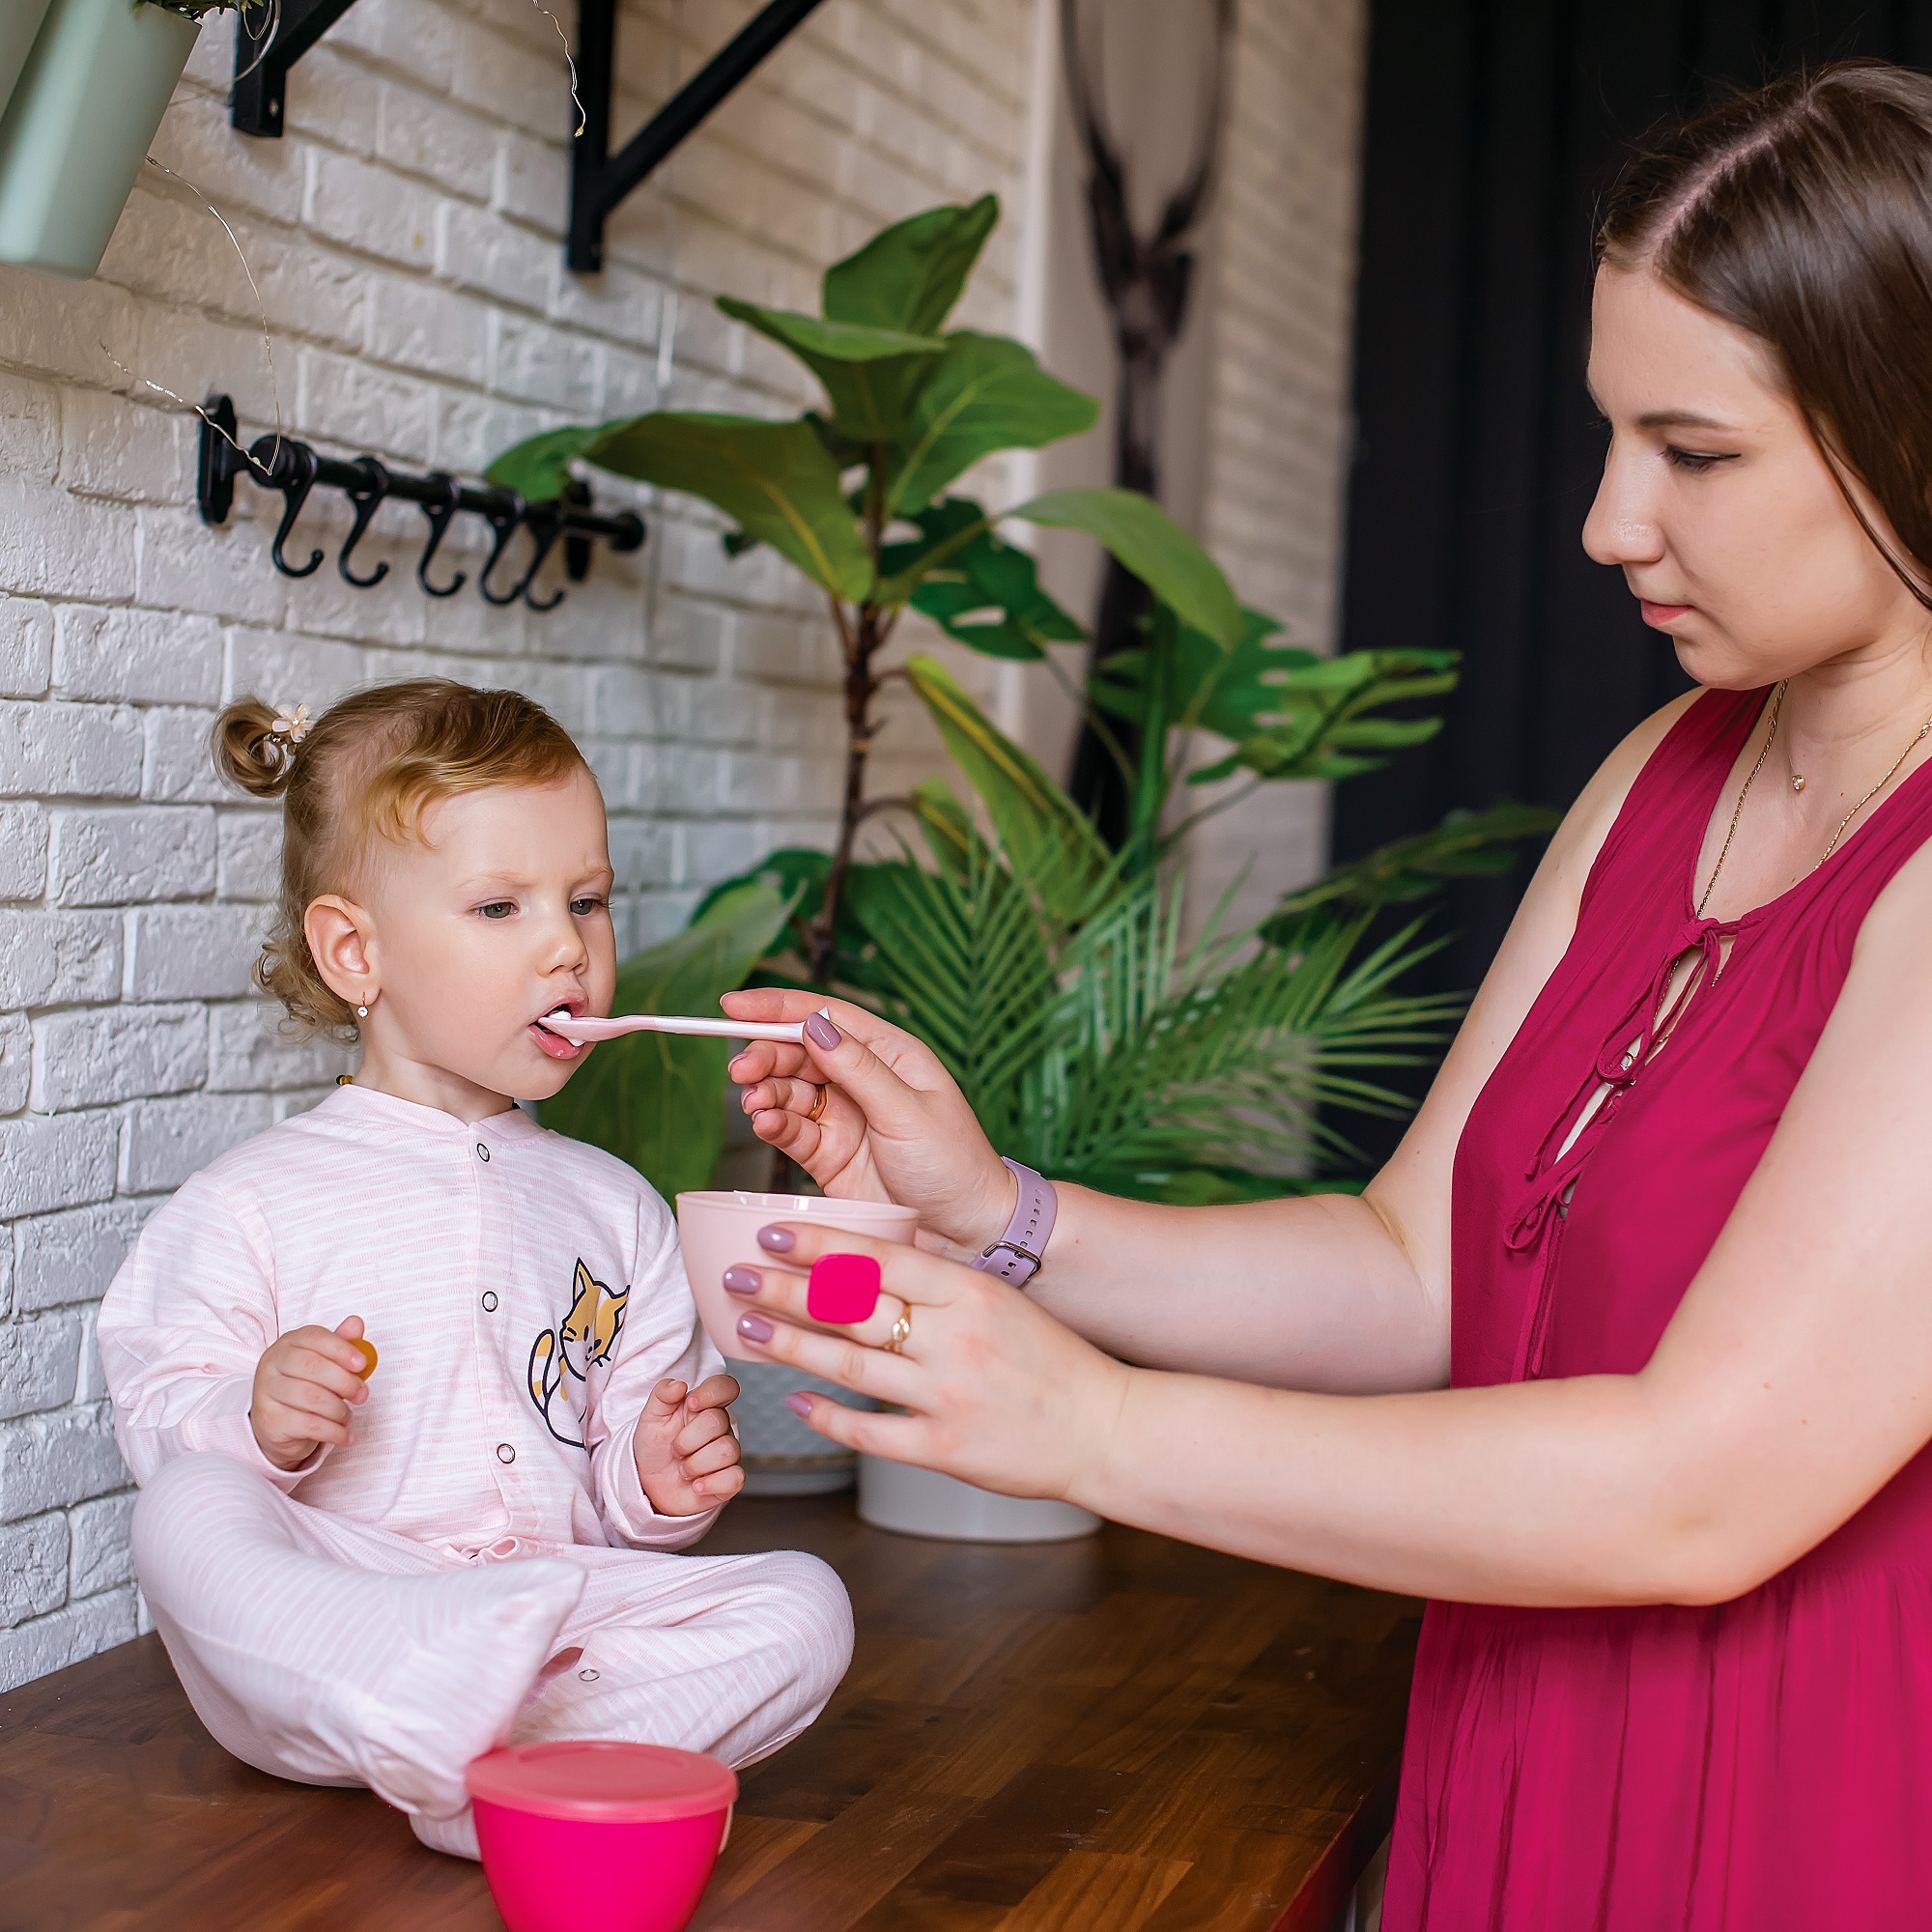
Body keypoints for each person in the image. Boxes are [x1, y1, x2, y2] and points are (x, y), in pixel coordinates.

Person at [715, 62, 1932, 1929]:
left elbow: (1705, 1486)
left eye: (1694, 453)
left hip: (1797, 1813)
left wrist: (1092, 1429)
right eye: (1611, 436)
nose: (1611, 522)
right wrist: (1005, 1215)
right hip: (1524, 1742)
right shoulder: (1663, 773)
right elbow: (1424, 1269)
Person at [98, 681, 851, 1859]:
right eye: (501, 905)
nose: (568, 945)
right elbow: (154, 1416)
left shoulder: (619, 1212)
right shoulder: (247, 1201)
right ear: (356, 950)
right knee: (189, 1504)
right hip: (343, 1618)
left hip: (552, 1611)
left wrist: (653, 1480)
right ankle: (424, 1712)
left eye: (586, 901)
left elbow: (612, 1513)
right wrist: (250, 1418)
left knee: (805, 1604)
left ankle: (498, 1773)